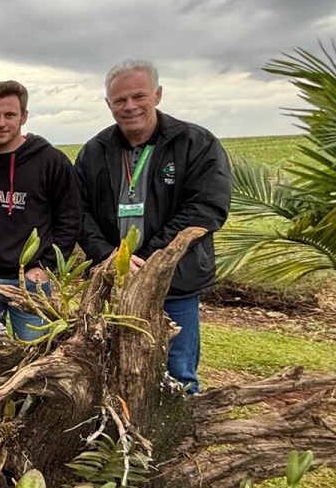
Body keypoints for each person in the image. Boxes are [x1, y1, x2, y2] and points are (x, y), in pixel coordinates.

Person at [75, 59, 231, 392]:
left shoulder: (195, 143)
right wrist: (110, 256)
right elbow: (79, 212)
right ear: (108, 104)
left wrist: (148, 258)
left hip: (174, 283)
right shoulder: (95, 151)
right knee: (114, 369)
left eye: (138, 96)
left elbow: (207, 209)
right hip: (114, 281)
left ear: (157, 95)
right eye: (120, 100)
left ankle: (176, 442)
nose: (129, 106)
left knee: (178, 374)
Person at [0, 81, 81, 341]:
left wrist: (47, 267)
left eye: (9, 115)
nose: (0, 123)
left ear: (24, 117)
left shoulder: (51, 162)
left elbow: (70, 219)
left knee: (33, 356)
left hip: (30, 282)